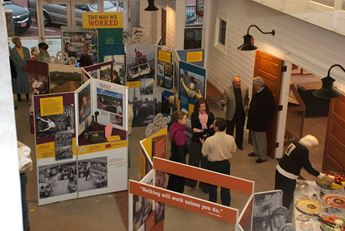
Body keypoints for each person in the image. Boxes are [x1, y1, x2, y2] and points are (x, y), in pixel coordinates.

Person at [275, 135, 324, 209]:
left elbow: (295, 160)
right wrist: (321, 176)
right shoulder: (303, 150)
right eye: (313, 146)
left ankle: (275, 208)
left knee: (278, 192)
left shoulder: (294, 143)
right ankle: (283, 213)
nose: (312, 148)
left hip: (279, 169)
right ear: (309, 144)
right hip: (288, 175)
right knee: (286, 197)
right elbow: (308, 168)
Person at [201, 118, 237, 206]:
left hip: (212, 165)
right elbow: (234, 150)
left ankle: (212, 206)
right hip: (225, 164)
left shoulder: (209, 140)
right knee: (225, 187)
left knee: (212, 187)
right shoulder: (231, 138)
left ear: (216, 127)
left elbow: (204, 153)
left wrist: (203, 144)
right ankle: (226, 206)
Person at [186, 98, 215, 192]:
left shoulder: (211, 115)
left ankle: (204, 185)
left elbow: (213, 129)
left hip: (207, 142)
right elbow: (194, 129)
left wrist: (201, 131)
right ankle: (191, 183)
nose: (202, 109)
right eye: (200, 107)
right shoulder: (194, 115)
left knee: (205, 164)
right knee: (193, 162)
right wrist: (206, 131)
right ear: (197, 107)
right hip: (196, 142)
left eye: (204, 107)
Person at [247, 76, 275, 163]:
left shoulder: (267, 95)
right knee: (254, 137)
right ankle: (256, 151)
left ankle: (263, 156)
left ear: (258, 85)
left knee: (261, 139)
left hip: (260, 122)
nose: (254, 86)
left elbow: (271, 110)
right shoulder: (259, 91)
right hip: (254, 120)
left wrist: (265, 119)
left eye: (255, 84)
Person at [220, 76, 249, 149]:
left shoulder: (245, 89)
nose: (238, 83)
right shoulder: (227, 90)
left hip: (241, 113)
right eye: (236, 82)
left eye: (239, 82)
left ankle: (239, 144)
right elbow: (224, 101)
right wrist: (223, 103)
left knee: (240, 129)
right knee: (230, 130)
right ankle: (229, 144)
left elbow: (246, 99)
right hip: (231, 113)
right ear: (233, 83)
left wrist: (246, 107)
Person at [167, 111, 188, 193]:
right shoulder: (180, 133)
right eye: (185, 119)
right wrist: (184, 165)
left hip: (174, 157)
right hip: (179, 159)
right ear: (179, 120)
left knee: (172, 179)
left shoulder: (173, 126)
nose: (187, 120)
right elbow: (181, 151)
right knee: (179, 181)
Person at [10, 36, 31, 102]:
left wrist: (27, 65)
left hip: (26, 69)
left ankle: (27, 96)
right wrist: (21, 66)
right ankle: (19, 97)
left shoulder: (26, 49)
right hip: (18, 69)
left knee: (26, 83)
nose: (19, 42)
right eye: (17, 41)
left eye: (19, 41)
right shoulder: (12, 51)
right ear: (14, 43)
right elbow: (13, 61)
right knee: (18, 84)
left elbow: (29, 58)